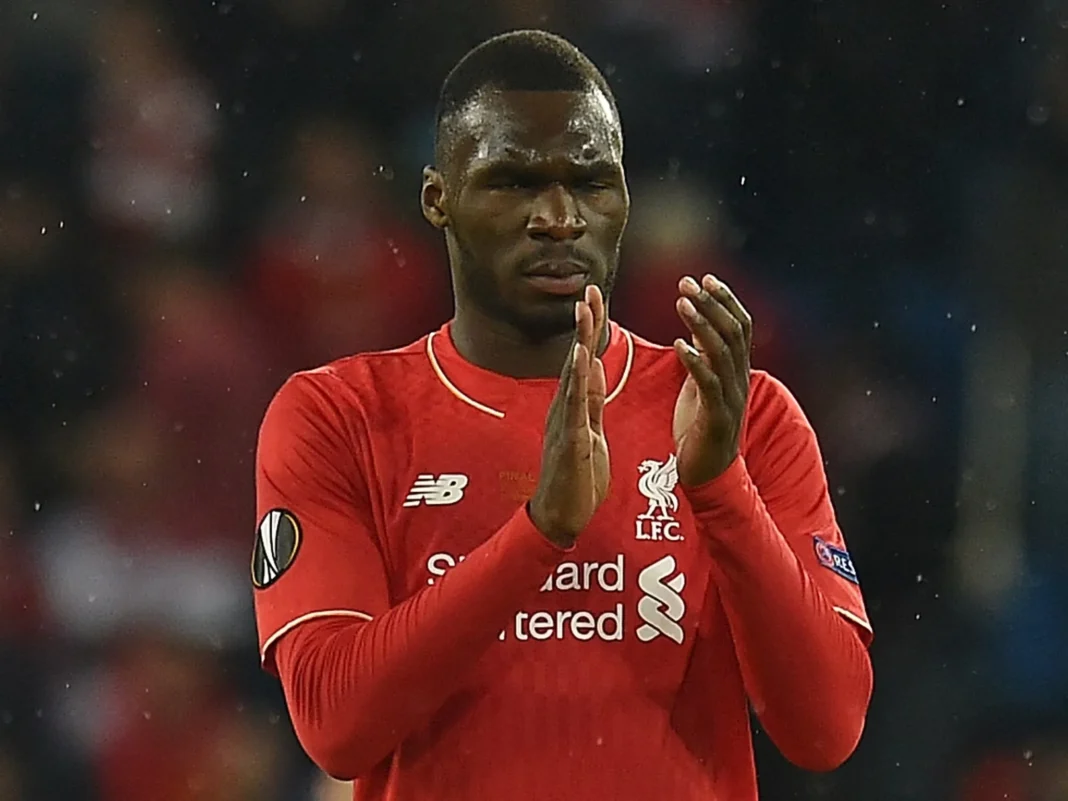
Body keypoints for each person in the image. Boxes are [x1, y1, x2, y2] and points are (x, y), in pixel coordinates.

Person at [252, 30, 873, 801]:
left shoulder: (737, 414)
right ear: (436, 198)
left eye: (591, 183)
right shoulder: (337, 416)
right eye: (513, 182)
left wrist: (720, 489)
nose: (558, 216)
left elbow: (827, 728)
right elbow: (335, 724)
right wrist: (537, 534)